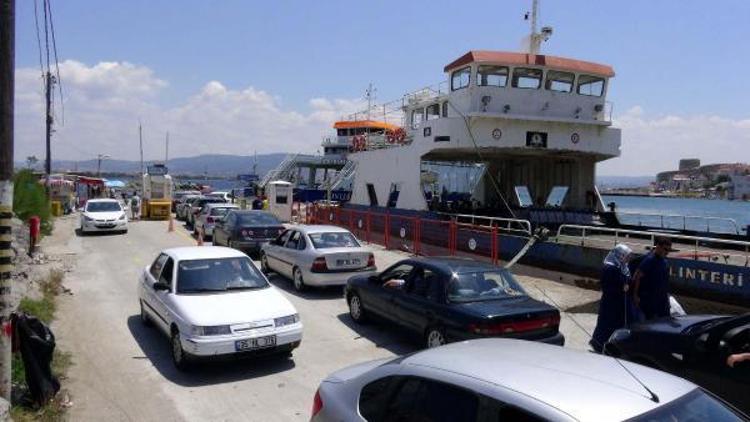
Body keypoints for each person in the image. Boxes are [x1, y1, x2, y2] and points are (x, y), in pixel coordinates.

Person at [590, 244, 633, 353]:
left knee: (618, 324)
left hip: (620, 301)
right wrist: (621, 288)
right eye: (626, 255)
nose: (628, 258)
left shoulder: (622, 266)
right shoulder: (609, 267)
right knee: (606, 323)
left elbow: (627, 279)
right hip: (611, 301)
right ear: (620, 255)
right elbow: (606, 285)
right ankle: (599, 345)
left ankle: (613, 345)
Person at [633, 237, 674, 320]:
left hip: (662, 299)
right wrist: (635, 295)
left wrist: (667, 296)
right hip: (650, 299)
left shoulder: (664, 262)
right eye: (665, 249)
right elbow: (637, 277)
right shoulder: (649, 260)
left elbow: (665, 281)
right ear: (658, 246)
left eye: (669, 250)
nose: (667, 252)